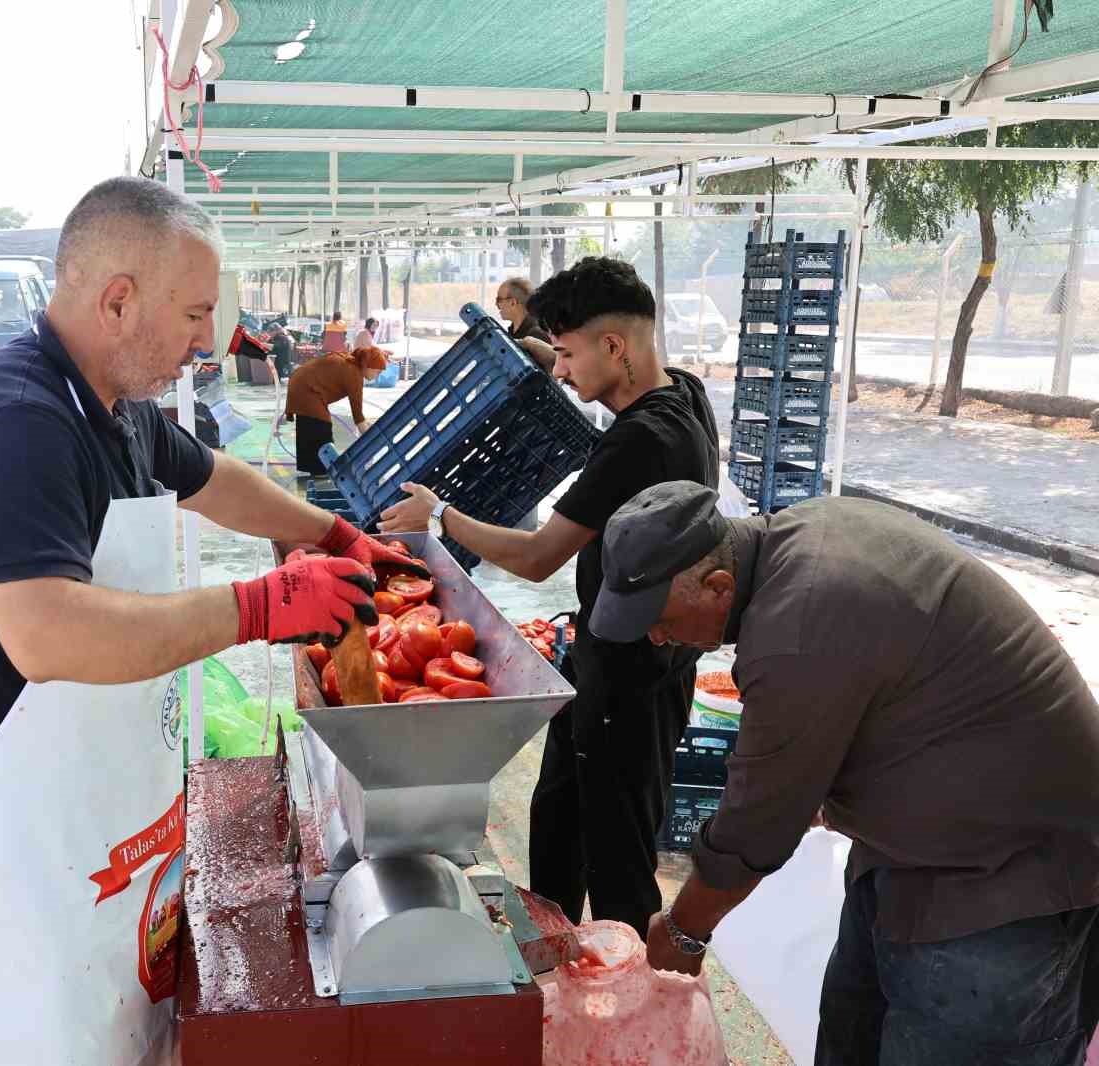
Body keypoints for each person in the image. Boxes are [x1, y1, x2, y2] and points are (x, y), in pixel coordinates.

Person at [0, 176, 425, 1065]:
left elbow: (210, 476)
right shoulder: (18, 422)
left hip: (80, 794)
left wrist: (330, 532)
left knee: (118, 1025)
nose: (208, 341)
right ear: (118, 300)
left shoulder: (111, 404)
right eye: (196, 313)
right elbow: (46, 632)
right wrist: (262, 604)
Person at [593, 481, 1099, 1065]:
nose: (657, 638)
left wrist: (683, 932)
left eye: (658, 620)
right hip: (905, 853)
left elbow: (755, 827)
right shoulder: (803, 537)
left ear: (718, 586)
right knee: (850, 1033)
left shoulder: (796, 626)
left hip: (1010, 880)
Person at [379, 257, 719, 937]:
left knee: (617, 857)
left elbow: (539, 558)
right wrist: (542, 348)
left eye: (566, 354)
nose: (559, 372)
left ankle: (633, 984)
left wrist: (439, 516)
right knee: (560, 819)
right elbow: (595, 374)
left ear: (614, 346)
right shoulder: (684, 392)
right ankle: (555, 954)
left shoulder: (641, 441)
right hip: (624, 658)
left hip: (629, 675)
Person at [282, 345, 390, 476]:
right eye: (378, 372)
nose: (377, 376)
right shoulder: (353, 373)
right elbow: (358, 416)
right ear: (368, 366)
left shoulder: (349, 362)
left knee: (309, 426)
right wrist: (372, 441)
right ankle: (320, 470)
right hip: (307, 390)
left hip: (299, 382)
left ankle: (314, 469)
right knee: (321, 427)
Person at [497, 276, 557, 372]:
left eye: (499, 300)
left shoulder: (536, 334)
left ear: (513, 302)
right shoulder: (513, 332)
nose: (497, 305)